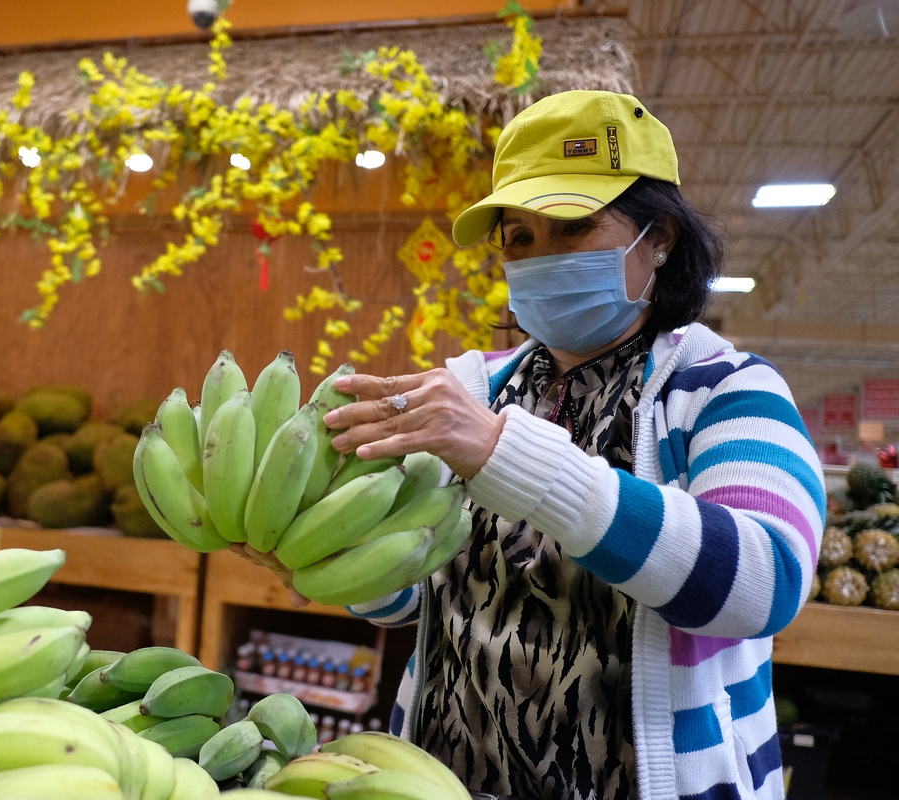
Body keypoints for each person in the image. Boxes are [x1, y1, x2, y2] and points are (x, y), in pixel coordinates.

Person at [236, 90, 823, 800]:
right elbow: (416, 602)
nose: (538, 257)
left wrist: (508, 458)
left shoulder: (727, 391)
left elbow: (765, 585)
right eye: (518, 237)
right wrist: (330, 558)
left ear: (660, 237)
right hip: (443, 780)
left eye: (572, 227)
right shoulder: (471, 388)